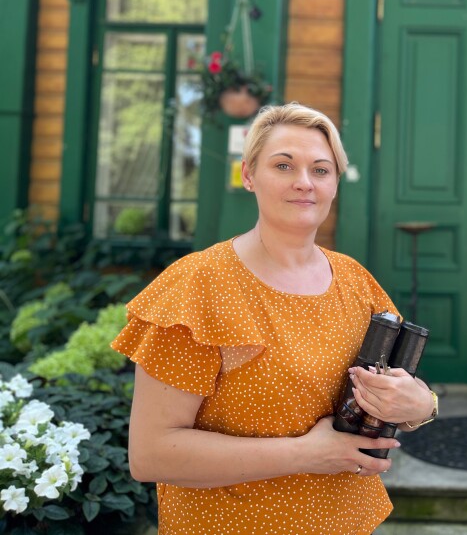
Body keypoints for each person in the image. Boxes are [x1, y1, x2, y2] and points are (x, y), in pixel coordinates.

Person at [111, 102, 438, 535]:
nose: (304, 183)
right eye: (283, 165)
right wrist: (305, 453)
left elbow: (391, 397)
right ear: (249, 175)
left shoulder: (357, 284)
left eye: (321, 170)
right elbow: (152, 454)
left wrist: (422, 406)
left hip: (345, 523)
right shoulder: (198, 286)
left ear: (335, 183)